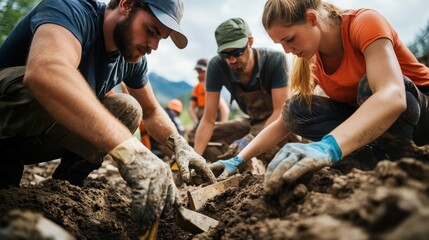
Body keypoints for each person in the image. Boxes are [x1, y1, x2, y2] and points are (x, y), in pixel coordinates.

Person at [0, 0, 216, 234]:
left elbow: (152, 112)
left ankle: (65, 191)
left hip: (39, 137)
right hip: (7, 126)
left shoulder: (131, 58)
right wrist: (132, 151)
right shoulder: (70, 10)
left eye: (160, 38)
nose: (153, 45)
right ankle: (6, 189)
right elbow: (45, 71)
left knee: (128, 107)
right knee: (50, 86)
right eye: (151, 31)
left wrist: (180, 145)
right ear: (126, 5)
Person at [213, 0, 429, 193]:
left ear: (312, 18)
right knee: (296, 108)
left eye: (289, 39)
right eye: (281, 44)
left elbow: (392, 96)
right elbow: (284, 121)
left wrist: (328, 146)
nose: (287, 50)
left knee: (368, 87)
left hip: (420, 115)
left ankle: (406, 160)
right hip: (379, 127)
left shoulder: (364, 22)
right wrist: (238, 159)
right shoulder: (311, 57)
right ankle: (370, 161)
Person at [193, 17, 294, 166]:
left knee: (275, 141)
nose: (232, 60)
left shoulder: (275, 60)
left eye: (237, 52)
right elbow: (208, 120)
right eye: (226, 55)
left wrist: (251, 140)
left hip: (279, 124)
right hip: (251, 122)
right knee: (196, 137)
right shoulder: (217, 65)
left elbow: (280, 112)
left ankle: (249, 159)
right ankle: (232, 161)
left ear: (250, 42)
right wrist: (196, 159)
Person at [188, 58, 230, 125]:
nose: (199, 75)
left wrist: (222, 125)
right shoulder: (197, 88)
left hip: (215, 121)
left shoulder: (212, 87)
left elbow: (224, 109)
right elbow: (191, 108)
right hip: (201, 120)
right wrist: (195, 121)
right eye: (198, 72)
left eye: (202, 72)